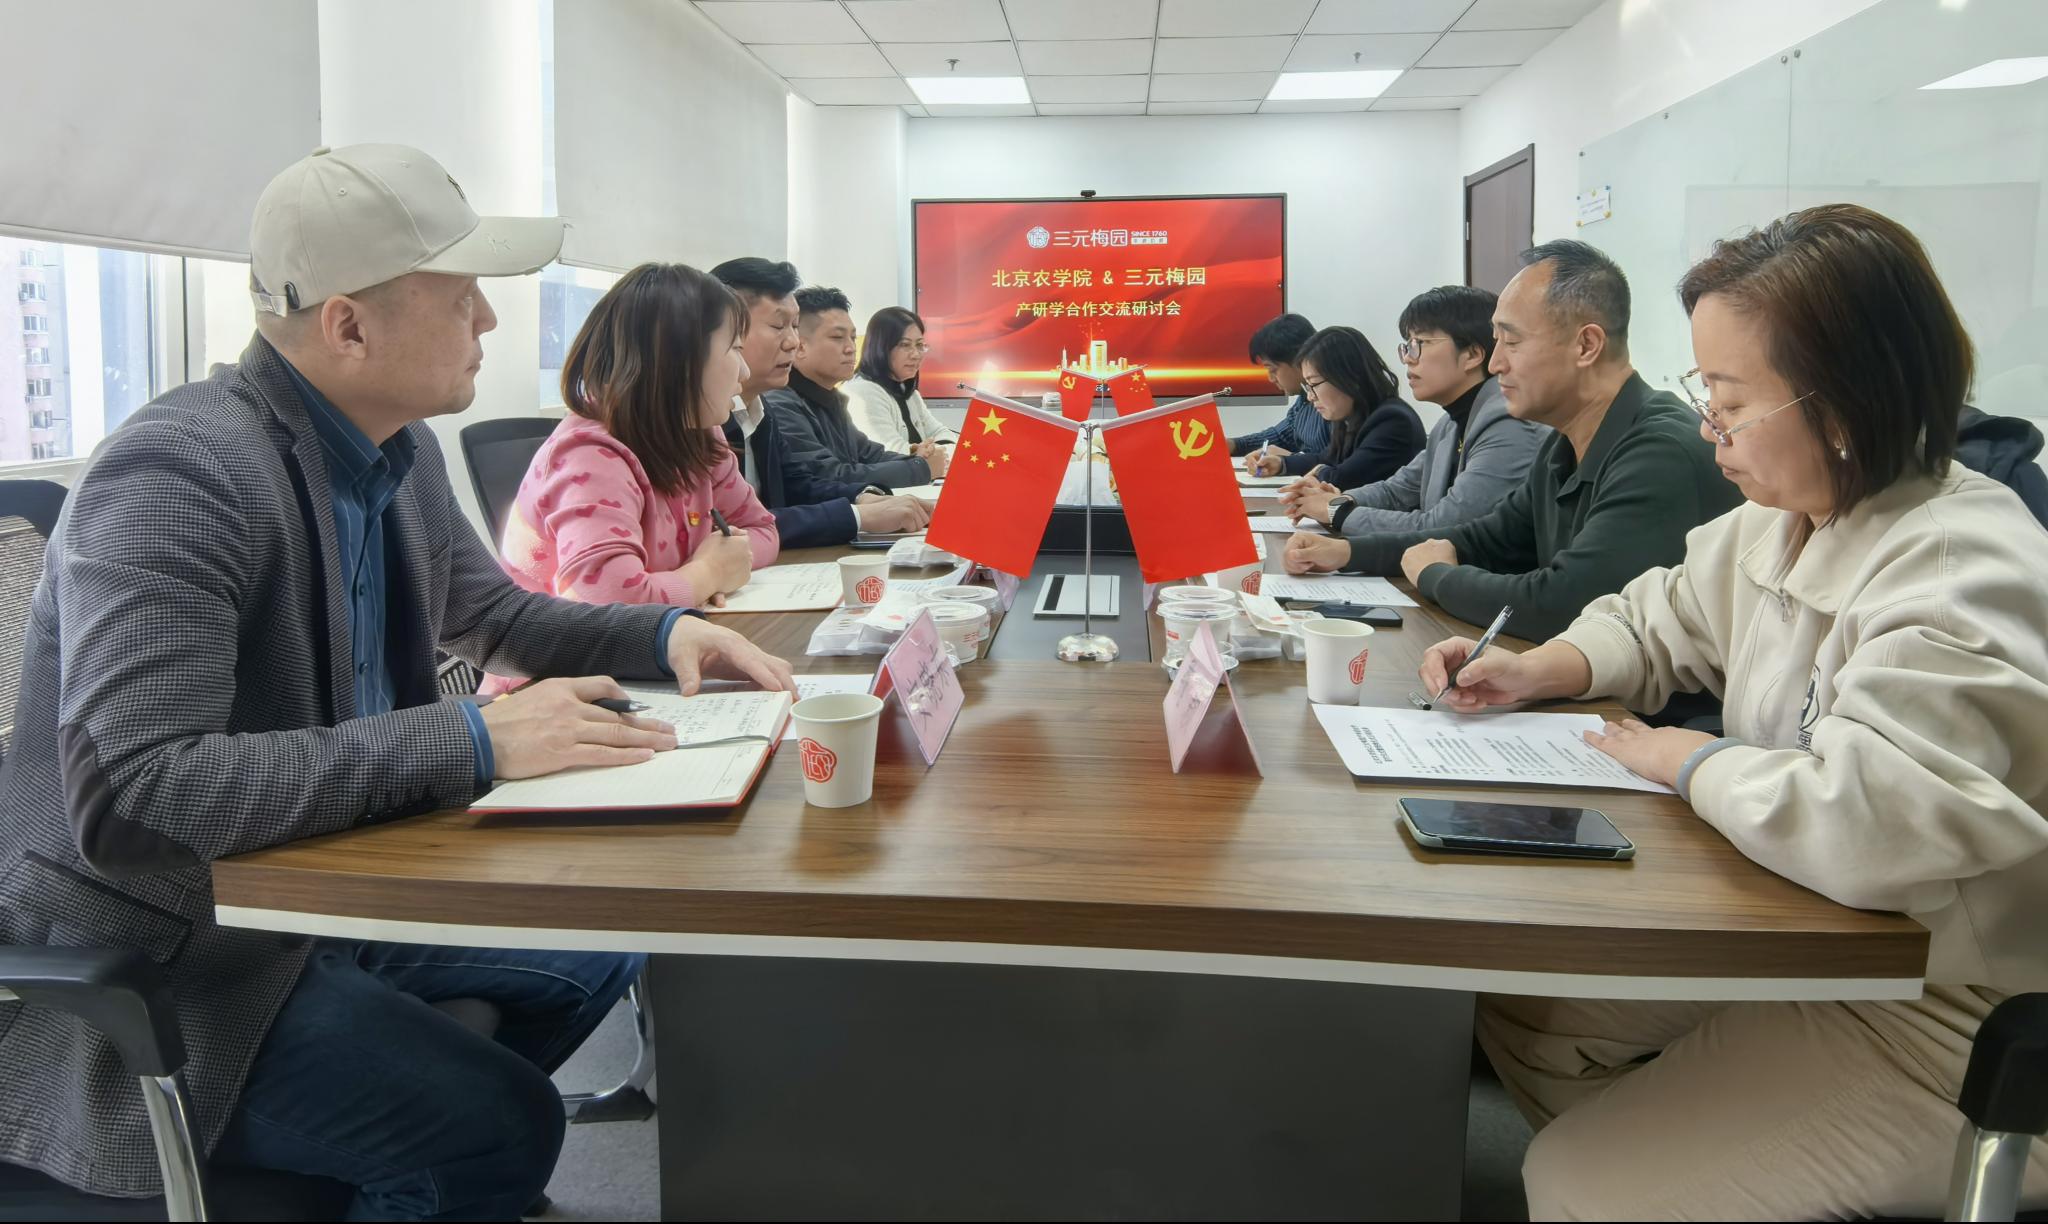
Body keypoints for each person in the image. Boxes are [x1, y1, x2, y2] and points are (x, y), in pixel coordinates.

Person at [0, 144, 794, 1218]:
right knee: (500, 1121)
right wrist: (474, 740)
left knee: (591, 960)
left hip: (315, 888)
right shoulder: (179, 473)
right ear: (348, 327)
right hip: (179, 948)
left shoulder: (396, 450)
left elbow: (499, 618)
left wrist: (665, 636)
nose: (490, 321)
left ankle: (420, 1177)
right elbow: (141, 792)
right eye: (462, 297)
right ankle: (442, 1166)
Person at [1418, 204, 2048, 1220]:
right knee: (1531, 1011)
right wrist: (1543, 670)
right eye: (1702, 389)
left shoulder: (1954, 572)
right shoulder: (1786, 515)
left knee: (1579, 1182)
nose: (1707, 423)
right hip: (1812, 923)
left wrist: (1687, 761)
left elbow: (1872, 825)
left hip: (1944, 1002)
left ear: (1841, 406)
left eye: (1728, 398)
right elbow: (1655, 614)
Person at [1284, 240, 1742, 642]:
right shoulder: (1563, 443)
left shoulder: (1658, 450)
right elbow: (1484, 538)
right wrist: (1348, 552)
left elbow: (1563, 603)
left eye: (1511, 342)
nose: (1496, 363)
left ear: (1586, 345)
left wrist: (1435, 575)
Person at [493, 262, 777, 632]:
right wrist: (707, 573)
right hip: (564, 663)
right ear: (679, 358)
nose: (744, 371)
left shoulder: (701, 435)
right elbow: (607, 604)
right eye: (735, 348)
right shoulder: (590, 455)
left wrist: (710, 569)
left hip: (662, 642)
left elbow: (763, 530)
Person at [1278, 286, 1546, 536]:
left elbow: (1443, 527)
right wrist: (1337, 500)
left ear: (1472, 355)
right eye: (1407, 345)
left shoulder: (1508, 423)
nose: (1407, 357)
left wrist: (1334, 510)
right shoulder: (1450, 424)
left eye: (1420, 343)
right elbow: (1396, 491)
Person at [708, 259, 929, 547]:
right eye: (778, 326)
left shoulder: (762, 411)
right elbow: (735, 526)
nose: (792, 342)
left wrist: (864, 497)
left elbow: (799, 484)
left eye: (795, 326)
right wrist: (857, 515)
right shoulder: (706, 419)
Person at [766, 287, 938, 489]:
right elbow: (828, 476)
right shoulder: (781, 404)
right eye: (838, 337)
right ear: (800, 347)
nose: (851, 348)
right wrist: (919, 468)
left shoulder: (831, 399)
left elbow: (870, 454)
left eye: (853, 337)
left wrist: (915, 458)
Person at [1277, 325, 1425, 492]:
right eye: (1307, 387)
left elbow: (1343, 479)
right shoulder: (1353, 416)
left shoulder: (1393, 421)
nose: (1310, 397)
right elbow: (1326, 459)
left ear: (1349, 377)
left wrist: (1319, 472)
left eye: (1314, 384)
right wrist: (1282, 463)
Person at [843, 305, 955, 455]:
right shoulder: (862, 392)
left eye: (919, 345)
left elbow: (943, 434)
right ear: (881, 347)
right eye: (905, 345)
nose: (916, 354)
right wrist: (932, 455)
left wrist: (931, 453)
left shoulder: (908, 392)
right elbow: (891, 454)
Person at [1232, 313, 1327, 477]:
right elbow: (1280, 436)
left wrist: (1288, 460)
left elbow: (1339, 463)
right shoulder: (1305, 398)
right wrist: (1233, 444)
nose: (1271, 378)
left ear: (1299, 360)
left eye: (1273, 369)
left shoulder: (1334, 403)